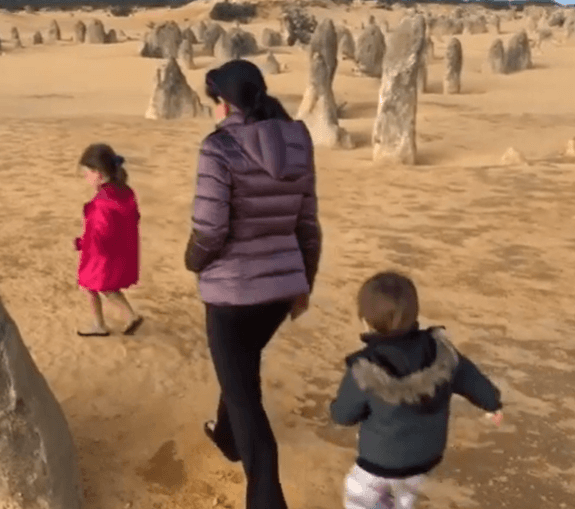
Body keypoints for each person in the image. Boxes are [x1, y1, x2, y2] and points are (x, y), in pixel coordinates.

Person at [184, 59, 321, 509]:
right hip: (279, 290)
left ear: (225, 104)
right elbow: (307, 225)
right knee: (239, 369)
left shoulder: (218, 148)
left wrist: (193, 261)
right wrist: (305, 282)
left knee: (247, 404)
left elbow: (210, 231)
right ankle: (225, 436)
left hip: (232, 293)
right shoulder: (299, 141)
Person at [330, 271, 504, 509]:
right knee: (405, 494)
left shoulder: (365, 369)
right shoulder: (441, 352)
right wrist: (492, 403)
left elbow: (343, 416)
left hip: (379, 462)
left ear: (365, 321)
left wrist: (335, 407)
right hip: (425, 458)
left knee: (359, 495)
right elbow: (472, 379)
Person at [74, 143, 144, 337]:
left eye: (87, 173)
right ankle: (131, 316)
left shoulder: (101, 203)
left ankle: (99, 324)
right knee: (107, 288)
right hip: (119, 252)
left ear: (98, 173)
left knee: (90, 287)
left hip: (100, 256)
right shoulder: (125, 192)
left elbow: (98, 235)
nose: (86, 177)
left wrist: (81, 243)